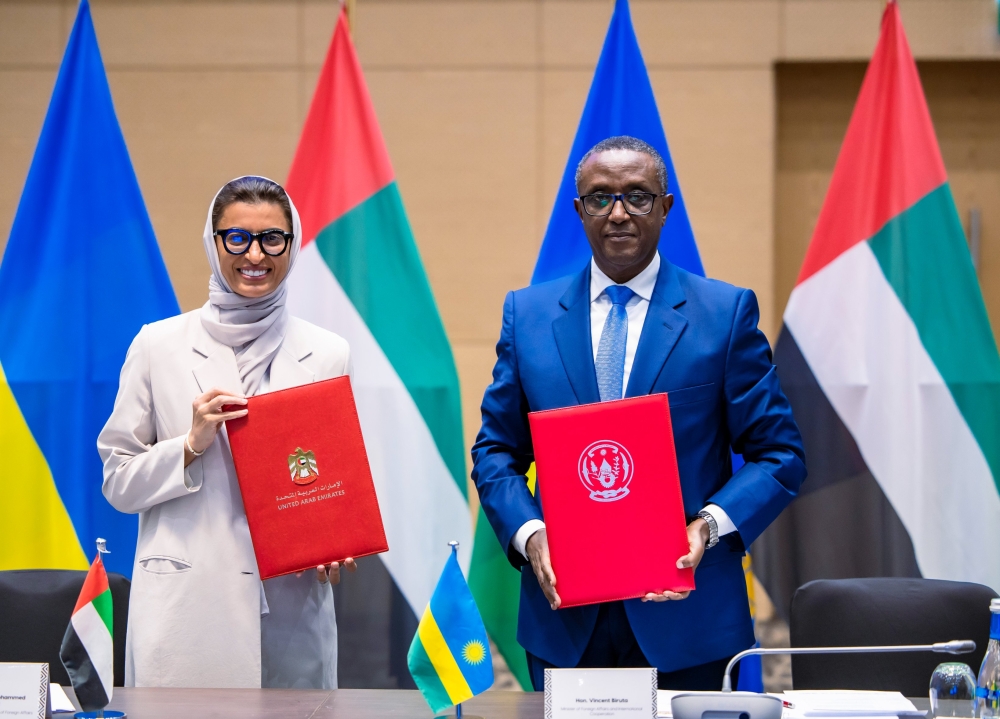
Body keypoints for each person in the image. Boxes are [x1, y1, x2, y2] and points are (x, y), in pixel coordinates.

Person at [471, 136, 806, 691]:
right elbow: (496, 452)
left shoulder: (723, 314)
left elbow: (780, 454)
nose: (619, 213)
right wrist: (532, 536)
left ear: (666, 207)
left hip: (687, 618)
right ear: (578, 212)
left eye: (638, 197)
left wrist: (708, 527)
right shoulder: (526, 317)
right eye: (600, 198)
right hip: (566, 621)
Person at [98, 176, 356, 689]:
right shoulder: (158, 345)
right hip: (185, 607)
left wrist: (336, 536)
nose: (254, 254)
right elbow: (118, 483)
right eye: (236, 238)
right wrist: (189, 446)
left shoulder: (327, 352)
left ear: (292, 244)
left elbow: (332, 472)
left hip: (290, 605)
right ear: (213, 243)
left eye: (272, 238)